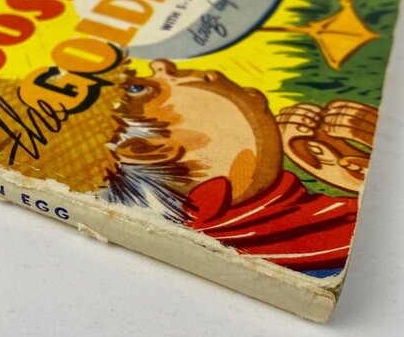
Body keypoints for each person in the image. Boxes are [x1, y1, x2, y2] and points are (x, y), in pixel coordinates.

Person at [102, 59, 377, 276]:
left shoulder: (298, 216)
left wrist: (357, 179)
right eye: (138, 90)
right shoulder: (311, 255)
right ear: (146, 149)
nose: (161, 64)